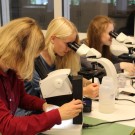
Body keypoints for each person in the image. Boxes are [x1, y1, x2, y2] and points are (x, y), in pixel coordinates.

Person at [0, 17, 83, 135]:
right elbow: (7, 126)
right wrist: (57, 115)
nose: (30, 63)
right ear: (17, 51)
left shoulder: (12, 69)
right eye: (31, 57)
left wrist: (44, 105)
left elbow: (22, 98)